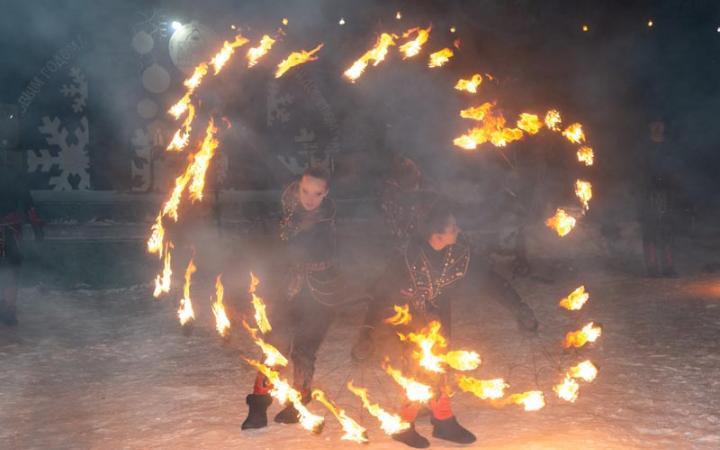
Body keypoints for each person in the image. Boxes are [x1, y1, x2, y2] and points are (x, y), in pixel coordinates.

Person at [353, 201, 538, 448]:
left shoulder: (458, 256)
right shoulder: (406, 259)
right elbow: (381, 296)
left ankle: (436, 421)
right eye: (453, 227)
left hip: (439, 323)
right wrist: (367, 332)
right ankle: (423, 422)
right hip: (407, 324)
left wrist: (519, 307)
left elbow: (490, 281)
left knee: (435, 367)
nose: (458, 230)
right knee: (418, 371)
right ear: (437, 235)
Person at [242, 166, 345, 429]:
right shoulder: (282, 216)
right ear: (298, 188)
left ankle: (298, 403)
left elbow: (337, 257)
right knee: (275, 346)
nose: (310, 198)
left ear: (326, 194)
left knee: (305, 351)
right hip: (285, 291)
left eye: (317, 193)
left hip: (320, 296)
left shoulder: (330, 221)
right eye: (305, 191)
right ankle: (259, 403)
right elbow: (266, 248)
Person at [0, 162, 44, 326]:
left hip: (9, 230)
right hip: (10, 230)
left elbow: (26, 200)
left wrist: (36, 224)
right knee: (10, 269)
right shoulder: (12, 174)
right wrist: (36, 226)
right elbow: (28, 202)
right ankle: (8, 307)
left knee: (9, 268)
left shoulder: (11, 175)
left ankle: (8, 307)